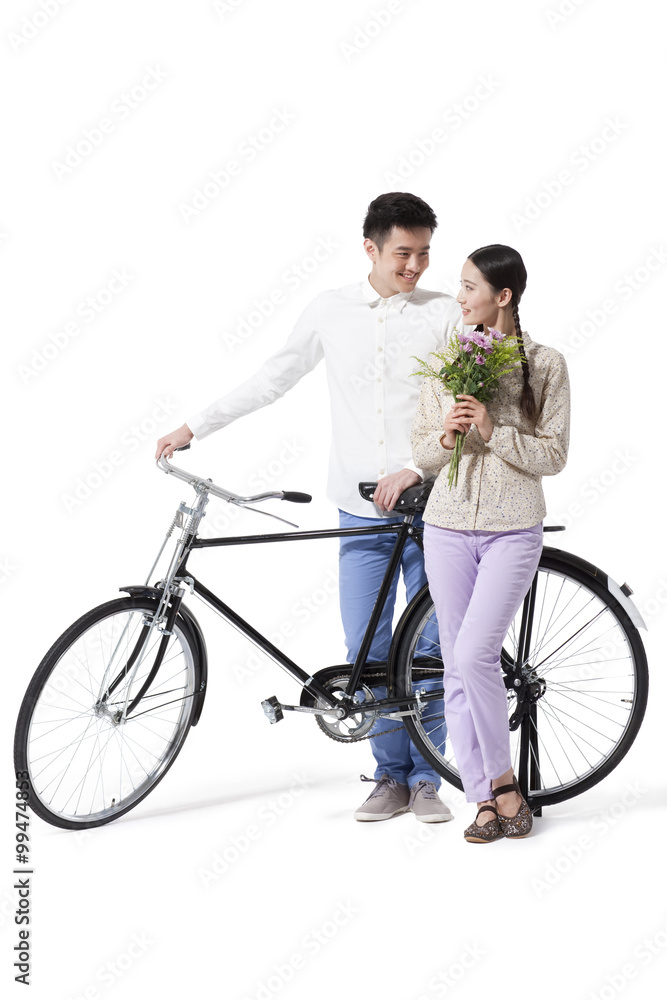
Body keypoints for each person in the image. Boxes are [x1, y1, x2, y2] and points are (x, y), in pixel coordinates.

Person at [155, 192, 464, 823]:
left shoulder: (445, 313)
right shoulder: (331, 310)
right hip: (360, 509)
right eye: (403, 253)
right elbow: (275, 377)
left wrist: (422, 464)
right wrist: (196, 425)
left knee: (434, 647)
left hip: (434, 504)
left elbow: (468, 403)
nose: (415, 266)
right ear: (371, 248)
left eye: (425, 253)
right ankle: (390, 777)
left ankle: (431, 776)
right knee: (366, 651)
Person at [411, 244, 570, 842]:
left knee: (475, 653)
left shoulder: (546, 363)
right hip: (446, 526)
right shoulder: (446, 360)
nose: (459, 296)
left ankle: (503, 780)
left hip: (513, 527)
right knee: (456, 663)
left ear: (502, 297)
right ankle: (483, 798)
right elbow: (422, 452)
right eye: (459, 285)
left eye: (469, 286)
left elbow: (553, 456)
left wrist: (491, 430)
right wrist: (449, 437)